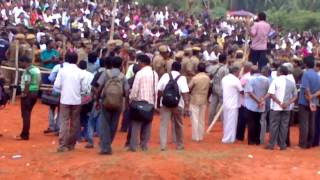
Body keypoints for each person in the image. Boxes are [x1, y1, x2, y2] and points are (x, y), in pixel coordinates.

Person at [96, 56, 129, 155]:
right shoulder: (123, 76)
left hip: (105, 101)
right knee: (114, 125)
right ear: (121, 65)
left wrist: (97, 100)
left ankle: (105, 146)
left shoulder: (106, 73)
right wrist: (126, 104)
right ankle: (107, 144)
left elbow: (99, 87)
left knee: (104, 124)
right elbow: (127, 91)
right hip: (118, 103)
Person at [54, 51, 85, 152]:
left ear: (66, 59)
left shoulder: (62, 71)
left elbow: (56, 86)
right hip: (76, 100)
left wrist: (64, 90)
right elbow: (84, 89)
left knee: (64, 122)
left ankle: (63, 145)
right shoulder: (80, 72)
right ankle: (71, 144)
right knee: (75, 122)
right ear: (76, 60)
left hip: (65, 100)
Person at [129, 54, 159, 152]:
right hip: (150, 102)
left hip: (139, 101)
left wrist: (131, 98)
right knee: (147, 125)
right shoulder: (155, 74)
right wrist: (154, 104)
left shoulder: (140, 73)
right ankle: (144, 145)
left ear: (142, 62)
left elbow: (135, 89)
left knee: (136, 125)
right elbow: (156, 90)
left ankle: (133, 146)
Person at [158, 61, 189, 151]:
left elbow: (159, 90)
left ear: (171, 68)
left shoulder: (165, 76)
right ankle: (179, 145)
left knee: (164, 124)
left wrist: (164, 98)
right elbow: (185, 92)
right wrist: (186, 105)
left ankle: (163, 146)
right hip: (178, 104)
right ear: (180, 69)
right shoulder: (182, 78)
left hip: (165, 104)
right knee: (178, 125)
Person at [265, 65, 298, 150]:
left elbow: (271, 94)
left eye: (278, 71)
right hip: (286, 108)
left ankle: (272, 144)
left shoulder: (276, 80)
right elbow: (295, 96)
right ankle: (282, 144)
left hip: (276, 107)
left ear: (280, 72)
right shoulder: (291, 82)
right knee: (284, 126)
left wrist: (279, 103)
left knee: (273, 125)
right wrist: (287, 103)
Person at [243, 66, 269, 145]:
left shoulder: (250, 79)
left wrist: (258, 101)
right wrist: (262, 100)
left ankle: (251, 140)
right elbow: (268, 91)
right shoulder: (266, 79)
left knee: (251, 123)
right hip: (261, 103)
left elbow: (250, 92)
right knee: (258, 122)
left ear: (251, 72)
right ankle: (257, 140)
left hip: (251, 104)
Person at [298, 56, 320, 149]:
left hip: (305, 101)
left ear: (306, 64)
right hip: (314, 102)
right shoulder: (317, 75)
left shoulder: (306, 74)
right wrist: (313, 97)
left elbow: (306, 88)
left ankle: (303, 143)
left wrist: (309, 98)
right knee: (312, 122)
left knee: (304, 123)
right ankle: (310, 142)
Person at [17, 55, 41, 140]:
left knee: (25, 115)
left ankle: (25, 134)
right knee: (28, 113)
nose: (21, 64)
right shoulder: (36, 69)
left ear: (25, 62)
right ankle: (24, 133)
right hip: (35, 93)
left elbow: (27, 83)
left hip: (28, 93)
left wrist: (24, 93)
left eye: (21, 62)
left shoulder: (28, 71)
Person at [189, 62, 211, 142]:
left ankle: (196, 137)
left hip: (195, 99)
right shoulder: (207, 78)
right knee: (201, 119)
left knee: (195, 118)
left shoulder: (195, 78)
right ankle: (200, 136)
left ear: (197, 69)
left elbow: (189, 87)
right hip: (204, 99)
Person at [221, 65, 243, 144]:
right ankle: (228, 139)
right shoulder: (236, 80)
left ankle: (229, 138)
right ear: (236, 72)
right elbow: (241, 91)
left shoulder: (224, 79)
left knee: (227, 121)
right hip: (233, 103)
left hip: (226, 102)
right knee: (232, 122)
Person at [207, 54, 229, 125]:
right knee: (222, 106)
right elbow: (226, 79)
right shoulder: (225, 69)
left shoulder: (213, 67)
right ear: (225, 60)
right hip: (221, 89)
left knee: (213, 105)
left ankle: (210, 121)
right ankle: (223, 123)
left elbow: (209, 75)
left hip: (214, 88)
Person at [236, 62, 252, 141]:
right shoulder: (250, 76)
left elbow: (240, 88)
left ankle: (239, 136)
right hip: (249, 102)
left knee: (241, 120)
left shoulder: (245, 77)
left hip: (243, 101)